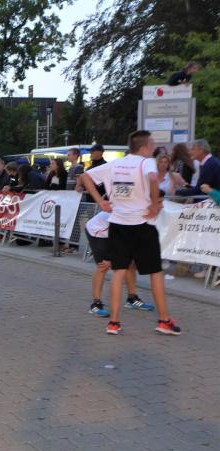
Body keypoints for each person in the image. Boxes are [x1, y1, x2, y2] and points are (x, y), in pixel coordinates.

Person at [81, 129, 181, 336]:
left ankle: (114, 323)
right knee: (155, 272)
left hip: (118, 224)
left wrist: (100, 201)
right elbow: (153, 179)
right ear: (144, 147)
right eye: (152, 144)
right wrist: (154, 204)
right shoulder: (146, 162)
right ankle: (164, 321)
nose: (154, 148)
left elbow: (85, 176)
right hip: (141, 224)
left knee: (119, 272)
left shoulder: (115, 164)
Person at [84, 210, 155, 317]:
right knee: (103, 266)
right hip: (97, 230)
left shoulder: (143, 214)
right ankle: (96, 304)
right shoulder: (128, 213)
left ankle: (132, 299)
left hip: (115, 232)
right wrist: (109, 257)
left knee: (130, 264)